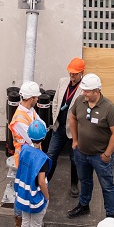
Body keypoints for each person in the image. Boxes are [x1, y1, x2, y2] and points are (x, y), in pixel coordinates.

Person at [67, 73, 114, 219]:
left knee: (107, 186)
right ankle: (84, 206)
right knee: (85, 181)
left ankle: (110, 216)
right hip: (81, 153)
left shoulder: (110, 109)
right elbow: (72, 118)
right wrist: (75, 141)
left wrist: (107, 154)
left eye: (87, 91)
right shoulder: (80, 101)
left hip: (100, 156)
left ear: (96, 91)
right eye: (83, 90)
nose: (83, 93)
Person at [13, 118, 51, 227]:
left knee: (26, 222)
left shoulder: (24, 150)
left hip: (22, 196)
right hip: (35, 198)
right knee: (35, 225)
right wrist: (47, 197)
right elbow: (41, 182)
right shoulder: (42, 159)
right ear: (44, 137)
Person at [46, 57, 84, 196]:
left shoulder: (84, 88)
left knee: (75, 159)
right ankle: (45, 181)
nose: (72, 75)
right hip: (59, 127)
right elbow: (55, 101)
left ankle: (74, 185)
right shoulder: (62, 82)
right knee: (51, 156)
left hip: (74, 131)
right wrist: (55, 117)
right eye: (70, 73)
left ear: (81, 73)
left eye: (75, 73)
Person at [8, 82, 41, 227]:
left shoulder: (30, 110)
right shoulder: (20, 118)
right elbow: (34, 136)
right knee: (21, 192)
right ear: (31, 98)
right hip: (23, 159)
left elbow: (40, 126)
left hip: (31, 157)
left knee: (31, 188)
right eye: (36, 97)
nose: (38, 100)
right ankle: (19, 223)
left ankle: (28, 220)